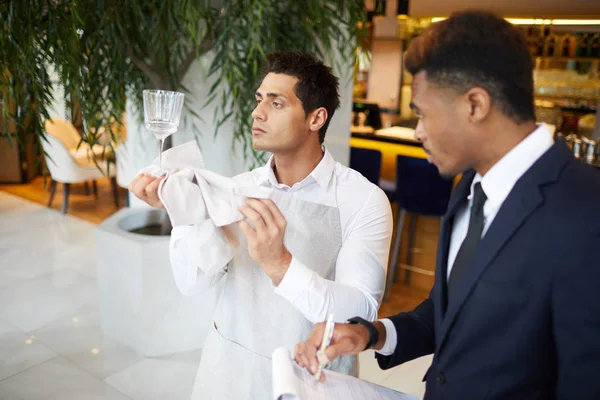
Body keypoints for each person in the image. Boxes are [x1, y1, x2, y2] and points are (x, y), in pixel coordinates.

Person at [294, 10, 600, 400]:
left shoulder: (586, 214)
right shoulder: (469, 187)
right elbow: (448, 310)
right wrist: (370, 333)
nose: (417, 131)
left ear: (475, 104)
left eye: (422, 113)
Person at [129, 52, 393, 399]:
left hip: (311, 380)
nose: (257, 112)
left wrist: (280, 264)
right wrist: (184, 213)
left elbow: (359, 312)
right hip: (227, 372)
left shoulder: (363, 199)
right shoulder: (239, 187)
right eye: (258, 100)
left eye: (277, 102)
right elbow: (194, 282)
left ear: (316, 118)